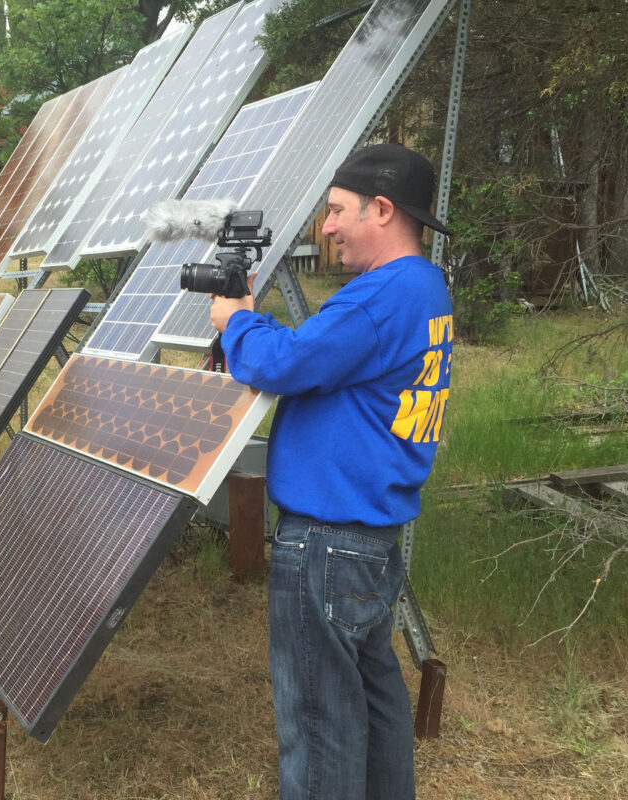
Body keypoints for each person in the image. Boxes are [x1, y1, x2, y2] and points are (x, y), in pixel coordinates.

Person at [209, 142, 454, 799]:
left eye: (340, 210)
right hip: (369, 539)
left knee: (320, 723)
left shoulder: (382, 296)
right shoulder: (424, 287)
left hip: (327, 541)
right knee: (372, 701)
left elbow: (286, 361)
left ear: (383, 209)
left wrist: (236, 322)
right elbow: (322, 358)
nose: (328, 227)